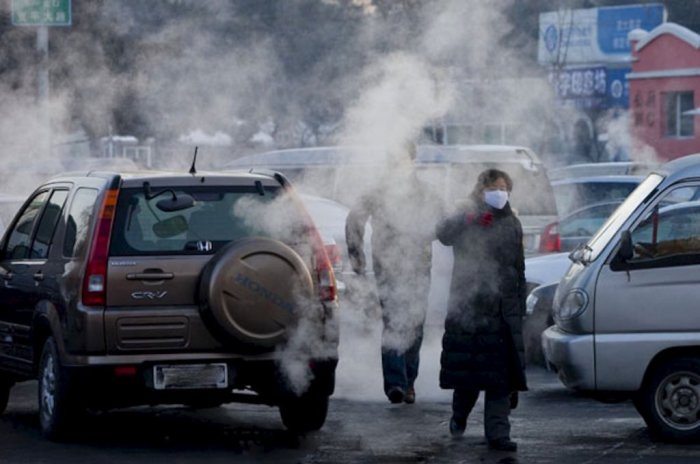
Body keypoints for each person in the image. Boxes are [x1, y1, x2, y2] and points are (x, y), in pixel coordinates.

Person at [435, 168, 528, 452]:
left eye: (503, 187)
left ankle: (498, 434)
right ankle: (459, 417)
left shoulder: (513, 222)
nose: (499, 192)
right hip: (472, 311)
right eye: (493, 187)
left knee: (500, 378)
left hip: (502, 312)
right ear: (481, 190)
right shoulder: (467, 214)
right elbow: (443, 234)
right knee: (471, 377)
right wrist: (469, 219)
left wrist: (519, 305)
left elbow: (518, 266)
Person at [345, 142, 443, 405]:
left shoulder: (425, 192)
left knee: (415, 325)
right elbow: (355, 219)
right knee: (393, 322)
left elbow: (442, 222)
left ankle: (410, 381)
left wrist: (425, 234)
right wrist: (357, 255)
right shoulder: (377, 191)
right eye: (393, 161)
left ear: (413, 161)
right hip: (387, 265)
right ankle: (395, 385)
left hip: (419, 265)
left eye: (402, 160)